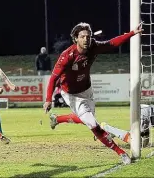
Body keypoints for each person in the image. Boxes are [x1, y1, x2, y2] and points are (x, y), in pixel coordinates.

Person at [43, 22, 144, 165]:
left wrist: (132, 32)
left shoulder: (93, 47)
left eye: (88, 36)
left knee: (89, 120)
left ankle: (57, 119)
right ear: (76, 39)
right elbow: (53, 78)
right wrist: (48, 99)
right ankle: (121, 153)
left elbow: (112, 44)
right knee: (92, 124)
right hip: (72, 95)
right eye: (82, 36)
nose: (86, 39)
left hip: (87, 90)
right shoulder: (67, 56)